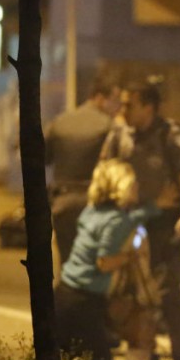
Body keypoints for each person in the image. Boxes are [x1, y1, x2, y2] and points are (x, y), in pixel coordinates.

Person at [100, 81, 180, 360]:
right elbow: (105, 172)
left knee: (168, 296)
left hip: (166, 230)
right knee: (133, 300)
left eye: (130, 104)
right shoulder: (120, 135)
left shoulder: (172, 136)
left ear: (149, 107)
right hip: (134, 226)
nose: (123, 110)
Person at [54, 159, 156, 360]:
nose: (137, 187)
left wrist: (149, 210)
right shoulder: (116, 220)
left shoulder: (93, 210)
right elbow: (104, 262)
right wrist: (130, 255)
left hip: (64, 296)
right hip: (83, 303)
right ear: (120, 187)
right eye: (132, 184)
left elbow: (134, 218)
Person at [45, 74, 122, 268]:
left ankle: (64, 295)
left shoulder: (60, 122)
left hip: (62, 201)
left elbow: (44, 158)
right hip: (94, 203)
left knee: (66, 260)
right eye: (115, 102)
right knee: (92, 263)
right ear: (100, 98)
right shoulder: (110, 127)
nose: (119, 108)